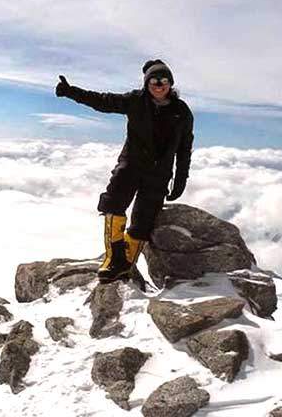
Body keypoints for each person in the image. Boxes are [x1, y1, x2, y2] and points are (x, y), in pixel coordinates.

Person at [55, 59, 194, 283]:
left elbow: (185, 148)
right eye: (154, 81)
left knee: (142, 222)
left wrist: (180, 180)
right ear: (147, 83)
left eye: (164, 81)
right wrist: (71, 92)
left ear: (171, 84)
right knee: (113, 204)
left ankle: (125, 264)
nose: (159, 85)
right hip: (131, 166)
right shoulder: (135, 101)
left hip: (158, 175)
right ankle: (113, 258)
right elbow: (102, 101)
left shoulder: (182, 112)